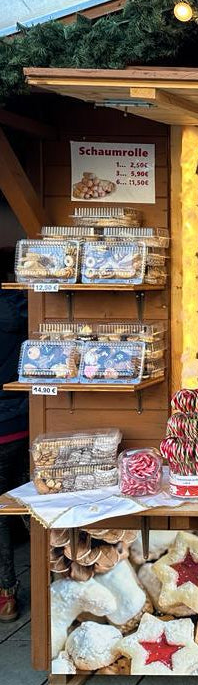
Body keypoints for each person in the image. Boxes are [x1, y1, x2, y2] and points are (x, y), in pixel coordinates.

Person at [0, 248, 28, 622]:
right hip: (28, 420)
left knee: (3, 513)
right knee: (27, 506)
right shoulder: (30, 309)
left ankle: (6, 593)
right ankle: (57, 579)